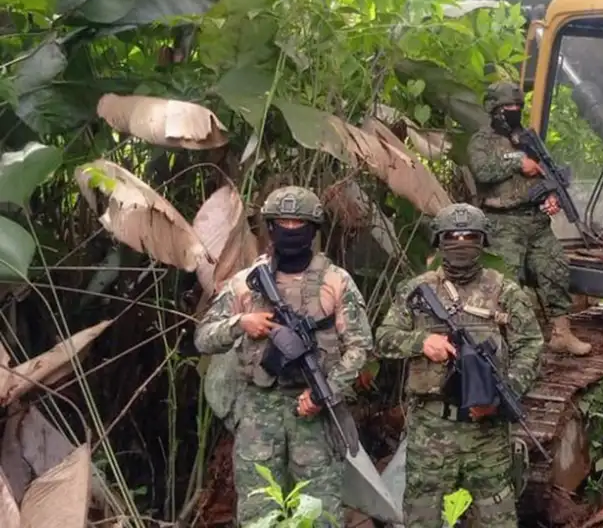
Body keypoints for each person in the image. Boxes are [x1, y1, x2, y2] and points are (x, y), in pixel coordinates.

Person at [194, 186, 373, 526]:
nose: (291, 230)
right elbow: (203, 338)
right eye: (283, 223)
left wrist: (325, 392)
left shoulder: (336, 282)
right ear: (271, 228)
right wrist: (240, 323)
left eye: (299, 224)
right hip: (259, 413)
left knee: (320, 515)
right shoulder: (246, 283)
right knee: (259, 513)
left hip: (315, 415)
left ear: (313, 230)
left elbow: (360, 346)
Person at [374, 203, 545, 528]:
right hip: (432, 429)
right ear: (440, 240)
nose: (462, 243)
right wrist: (421, 342)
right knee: (422, 517)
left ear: (483, 241)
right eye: (453, 236)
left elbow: (532, 345)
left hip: (487, 434)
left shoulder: (505, 291)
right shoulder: (416, 290)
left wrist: (503, 393)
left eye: (470, 236)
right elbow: (383, 338)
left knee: (496, 519)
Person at [466, 80, 592, 356]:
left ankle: (562, 333)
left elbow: (544, 174)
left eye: (518, 107)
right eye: (508, 107)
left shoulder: (527, 138)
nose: (514, 111)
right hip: (503, 223)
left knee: (556, 269)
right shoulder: (482, 141)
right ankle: (506, 345)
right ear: (494, 109)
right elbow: (482, 172)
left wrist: (551, 197)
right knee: (506, 284)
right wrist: (516, 162)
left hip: (536, 222)